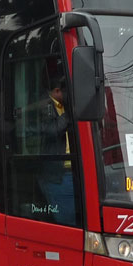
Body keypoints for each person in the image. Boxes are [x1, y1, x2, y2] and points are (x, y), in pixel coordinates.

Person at [37, 76, 76, 225]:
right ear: (57, 91)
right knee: (68, 219)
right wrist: (70, 113)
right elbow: (52, 130)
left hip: (72, 168)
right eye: (67, 93)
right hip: (57, 174)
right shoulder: (44, 105)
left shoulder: (62, 105)